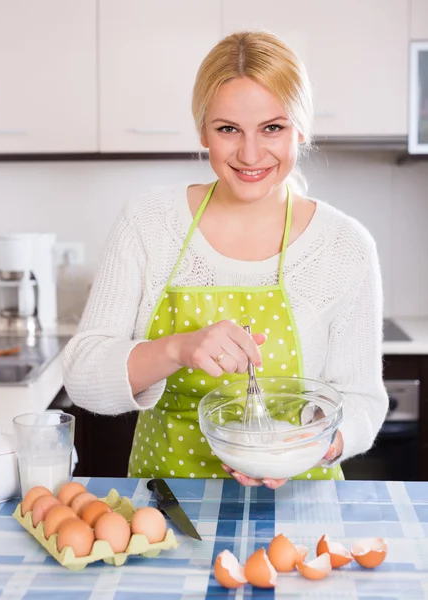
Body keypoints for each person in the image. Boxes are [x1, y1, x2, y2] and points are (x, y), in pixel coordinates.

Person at [63, 31, 388, 488]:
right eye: (228, 129)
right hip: (169, 509)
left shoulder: (344, 246)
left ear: (301, 129)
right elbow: (81, 374)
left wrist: (311, 445)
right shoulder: (150, 222)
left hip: (299, 503)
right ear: (203, 131)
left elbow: (363, 401)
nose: (250, 154)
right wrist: (177, 348)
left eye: (272, 128)